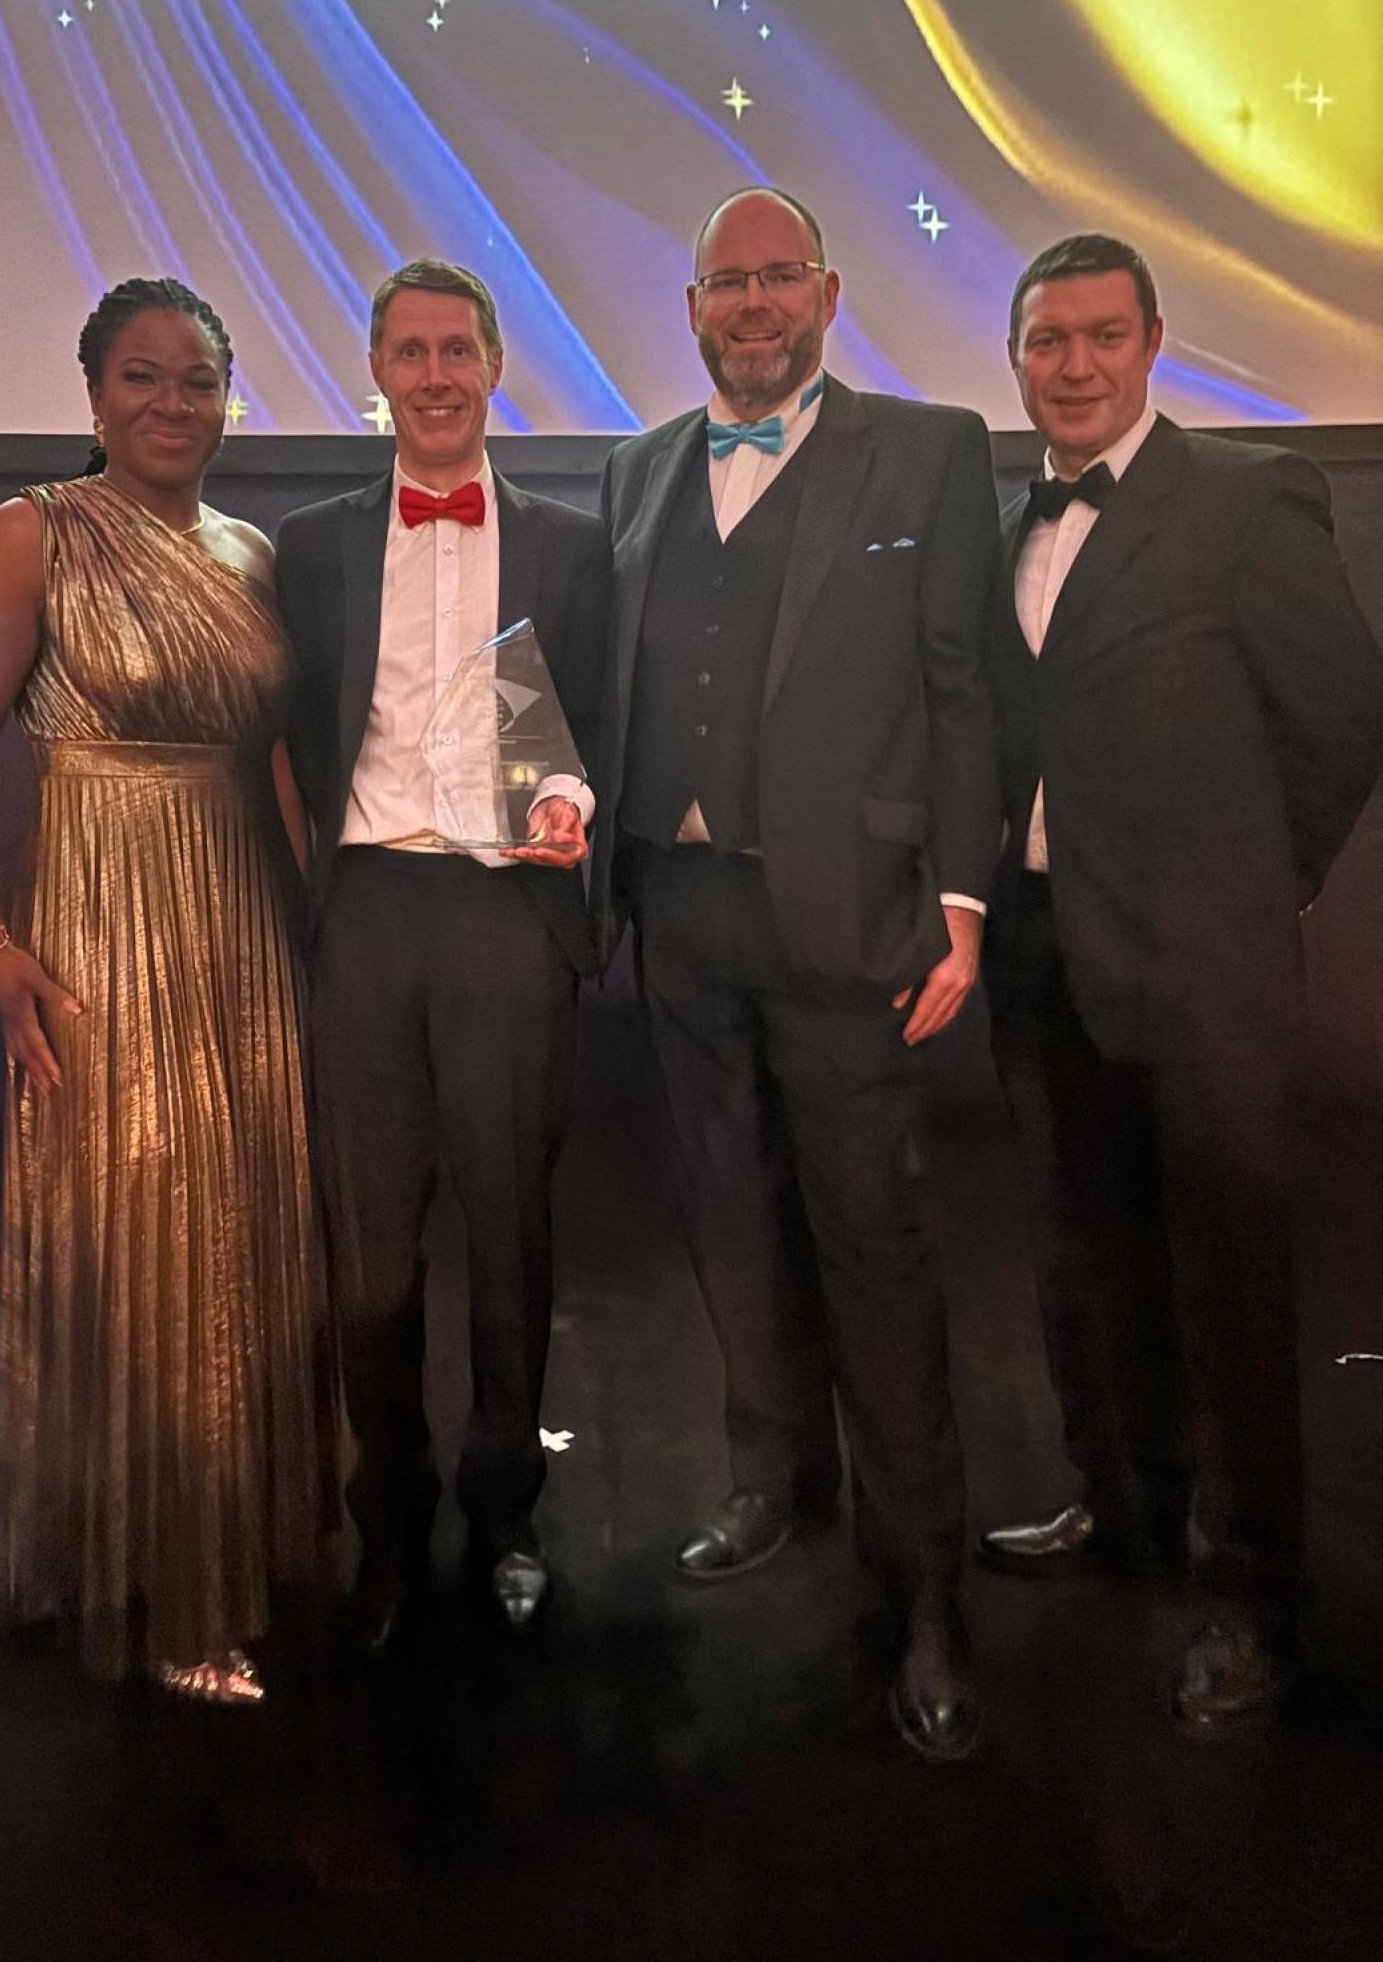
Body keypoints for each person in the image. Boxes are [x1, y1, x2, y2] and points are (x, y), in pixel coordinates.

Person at [595, 187, 1002, 1761]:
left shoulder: (930, 447)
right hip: (680, 916)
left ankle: (928, 1593)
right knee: (726, 1215)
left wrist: (963, 901)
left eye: (779, 277)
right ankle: (777, 1471)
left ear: (827, 292)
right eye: (726, 282)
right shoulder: (635, 470)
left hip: (852, 925)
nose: (753, 303)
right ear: (690, 304)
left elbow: (964, 693)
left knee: (878, 1251)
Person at [978, 233, 1383, 1727]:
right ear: (1013, 357)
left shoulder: (1243, 496)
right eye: (1045, 340)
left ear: (1153, 342)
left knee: (1224, 1287)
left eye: (1100, 335)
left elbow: (1340, 715)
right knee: (1086, 1264)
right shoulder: (1000, 515)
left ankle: (1252, 1592)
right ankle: (1121, 1504)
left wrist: (1256, 882)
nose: (1073, 365)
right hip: (1043, 953)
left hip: (1201, 964)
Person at [0, 277, 341, 1701]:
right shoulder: (27, 534)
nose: (174, 404)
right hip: (100, 926)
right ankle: (159, 1583)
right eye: (145, 378)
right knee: (141, 1233)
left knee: (248, 1236)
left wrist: (321, 926)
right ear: (92, 391)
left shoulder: (252, 551)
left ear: (232, 396)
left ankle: (238, 1541)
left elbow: (278, 759)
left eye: (201, 380)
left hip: (246, 923)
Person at [275, 259, 611, 1648]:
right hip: (362, 917)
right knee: (370, 1253)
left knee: (509, 1232)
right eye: (408, 350)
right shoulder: (311, 544)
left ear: (493, 365)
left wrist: (575, 812)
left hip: (501, 917)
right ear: (376, 369)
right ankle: (390, 1513)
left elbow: (597, 726)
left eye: (456, 348)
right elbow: (282, 735)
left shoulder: (571, 543)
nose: (433, 373)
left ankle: (508, 1504)